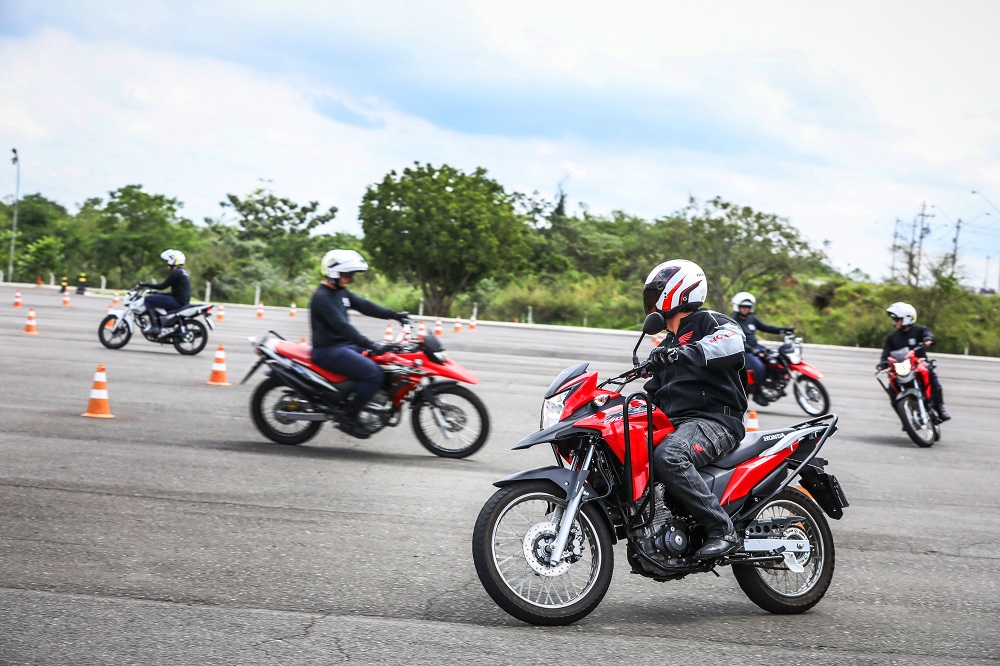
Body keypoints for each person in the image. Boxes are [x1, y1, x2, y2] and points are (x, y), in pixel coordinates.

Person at [643, 259, 749, 559]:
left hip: (714, 420)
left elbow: (731, 344)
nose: (650, 304)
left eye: (655, 296)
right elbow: (654, 394)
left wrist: (685, 352)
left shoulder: (710, 322)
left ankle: (722, 530)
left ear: (677, 293)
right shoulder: (666, 346)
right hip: (678, 425)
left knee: (670, 455)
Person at [310, 249, 409, 439]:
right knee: (373, 373)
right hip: (328, 350)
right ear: (333, 273)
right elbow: (343, 327)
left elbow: (364, 306)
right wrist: (370, 344)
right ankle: (349, 416)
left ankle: (365, 401)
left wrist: (395, 315)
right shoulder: (322, 298)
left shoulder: (340, 292)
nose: (350, 278)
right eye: (347, 274)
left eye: (351, 274)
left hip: (344, 346)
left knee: (383, 359)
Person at [877, 302, 950, 422]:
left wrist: (928, 339)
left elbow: (928, 335)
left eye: (897, 319)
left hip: (918, 365)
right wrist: (882, 364)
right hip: (901, 368)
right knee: (891, 390)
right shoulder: (892, 337)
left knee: (933, 379)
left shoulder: (920, 330)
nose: (894, 322)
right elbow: (886, 353)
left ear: (907, 318)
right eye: (894, 320)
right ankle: (905, 419)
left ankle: (940, 408)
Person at [730, 291, 796, 407]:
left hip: (756, 347)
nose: (745, 309)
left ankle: (774, 384)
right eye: (743, 307)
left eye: (748, 307)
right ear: (737, 307)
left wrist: (785, 330)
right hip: (743, 351)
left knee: (775, 359)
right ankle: (757, 394)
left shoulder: (751, 319)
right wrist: (752, 350)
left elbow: (767, 328)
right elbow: (735, 341)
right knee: (760, 368)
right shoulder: (732, 321)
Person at [138, 249, 191, 337]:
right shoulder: (182, 272)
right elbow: (176, 291)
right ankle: (161, 324)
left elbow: (162, 286)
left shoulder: (176, 272)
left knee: (148, 300)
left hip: (178, 301)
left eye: (168, 261)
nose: (167, 263)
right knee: (155, 297)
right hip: (181, 300)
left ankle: (155, 327)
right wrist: (158, 294)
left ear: (173, 260)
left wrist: (145, 284)